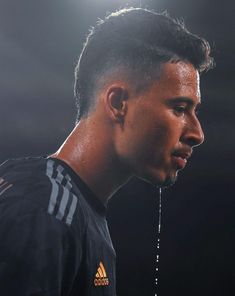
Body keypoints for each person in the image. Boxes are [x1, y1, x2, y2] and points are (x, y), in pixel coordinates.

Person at [0, 7, 213, 296]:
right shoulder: (44, 211)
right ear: (118, 103)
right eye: (179, 109)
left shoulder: (72, 211)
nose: (197, 133)